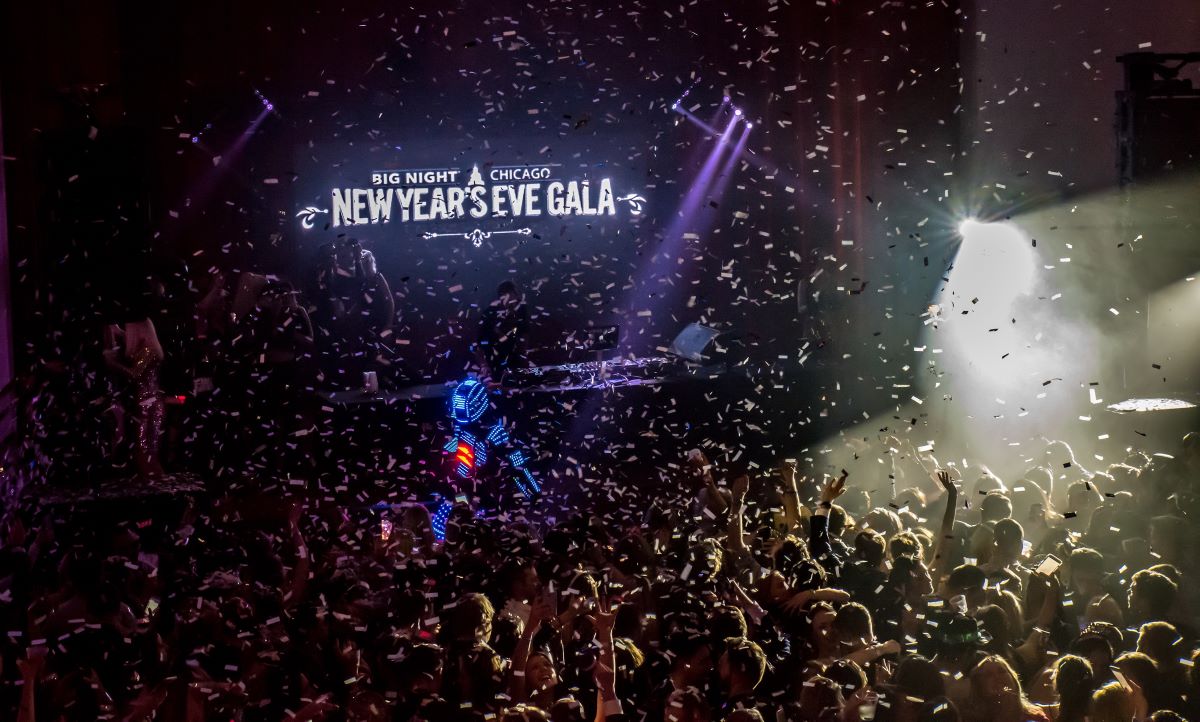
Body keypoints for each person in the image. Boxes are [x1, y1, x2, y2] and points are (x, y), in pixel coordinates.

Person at [476, 280, 530, 381]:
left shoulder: (521, 311)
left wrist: (523, 359)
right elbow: (479, 347)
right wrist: (484, 366)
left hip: (515, 364)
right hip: (494, 365)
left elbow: (524, 338)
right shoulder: (490, 314)